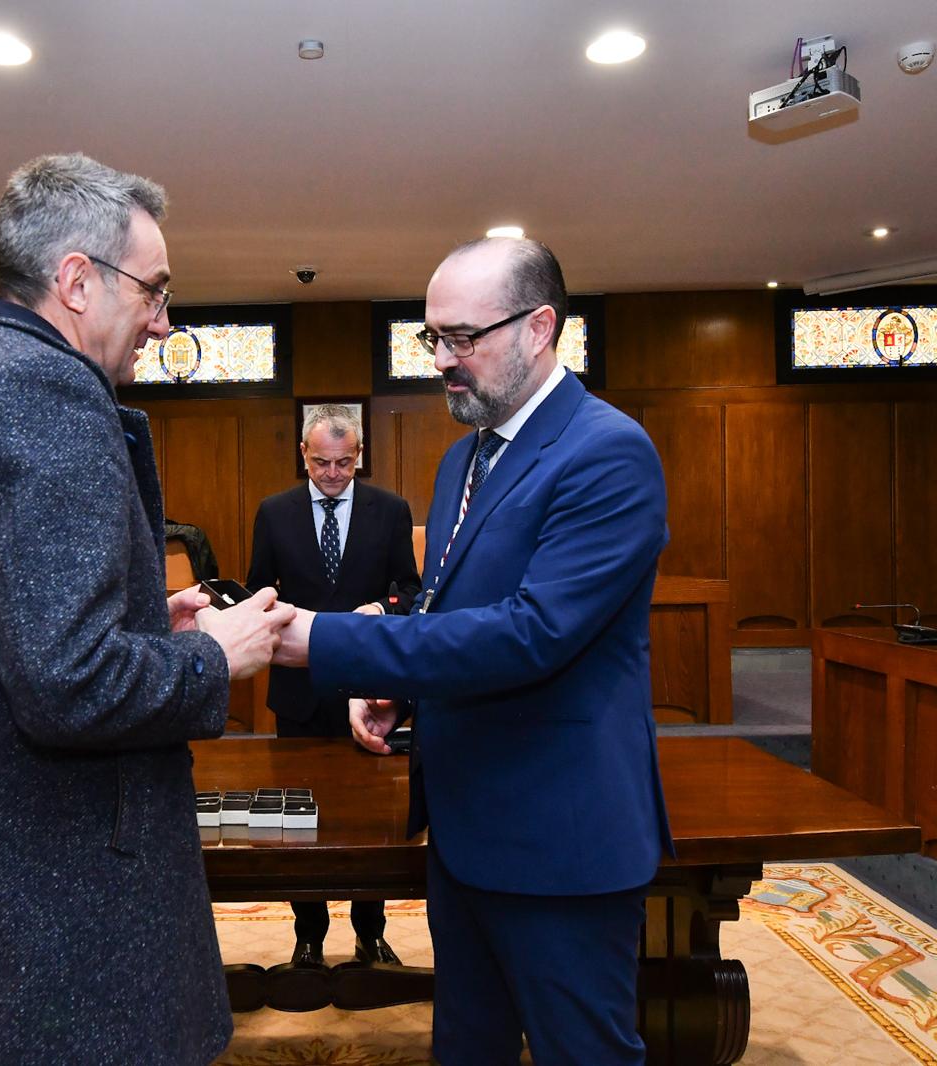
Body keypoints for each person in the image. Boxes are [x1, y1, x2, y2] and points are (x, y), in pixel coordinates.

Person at [0, 153, 294, 1066]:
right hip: (50, 897)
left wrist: (144, 624)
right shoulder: (43, 392)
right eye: (155, 291)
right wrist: (217, 653)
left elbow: (2, 627)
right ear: (78, 281)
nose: (163, 323)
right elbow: (69, 685)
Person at [275, 237, 672, 1064]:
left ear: (539, 328)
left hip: (562, 839)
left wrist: (325, 639)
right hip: (464, 830)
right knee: (466, 1048)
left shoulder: (608, 451)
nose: (443, 362)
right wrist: (402, 689)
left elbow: (533, 633)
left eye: (463, 338)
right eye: (433, 339)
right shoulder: (464, 457)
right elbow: (448, 607)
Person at [245, 404, 421, 970]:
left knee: (372, 821)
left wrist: (382, 607)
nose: (332, 474)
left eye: (345, 464)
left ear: (359, 456)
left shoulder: (389, 510)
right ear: (304, 455)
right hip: (298, 690)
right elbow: (255, 593)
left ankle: (371, 934)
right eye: (322, 463)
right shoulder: (273, 513)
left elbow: (411, 592)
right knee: (300, 821)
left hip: (370, 689)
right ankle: (309, 937)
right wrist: (277, 612)